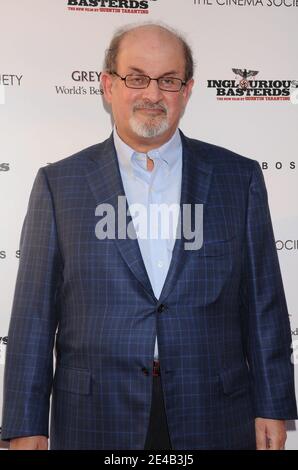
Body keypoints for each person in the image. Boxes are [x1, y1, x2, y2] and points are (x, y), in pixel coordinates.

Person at [1, 22, 297, 450]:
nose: (153, 94)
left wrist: (273, 404)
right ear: (107, 85)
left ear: (188, 89)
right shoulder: (59, 184)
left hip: (214, 410)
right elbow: (32, 318)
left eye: (168, 80)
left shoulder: (238, 178)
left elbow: (264, 304)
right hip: (96, 414)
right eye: (136, 78)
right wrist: (26, 425)